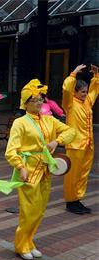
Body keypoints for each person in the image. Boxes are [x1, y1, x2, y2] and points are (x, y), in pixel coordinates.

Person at [5, 80, 75, 260]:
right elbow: (11, 150)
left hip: (45, 169)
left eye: (40, 100)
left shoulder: (49, 120)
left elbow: (71, 132)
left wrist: (56, 141)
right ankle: (21, 245)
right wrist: (20, 167)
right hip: (28, 170)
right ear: (25, 103)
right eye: (34, 100)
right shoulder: (20, 123)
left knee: (40, 210)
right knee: (29, 210)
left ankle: (30, 241)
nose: (38, 103)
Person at [62, 64, 98, 214]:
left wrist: (96, 76)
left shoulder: (87, 102)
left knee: (83, 173)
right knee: (72, 174)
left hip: (87, 144)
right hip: (75, 145)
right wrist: (73, 74)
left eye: (85, 92)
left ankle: (77, 199)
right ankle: (71, 201)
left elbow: (95, 91)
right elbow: (66, 90)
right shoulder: (69, 103)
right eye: (82, 92)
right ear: (75, 92)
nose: (85, 94)